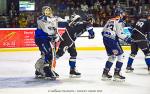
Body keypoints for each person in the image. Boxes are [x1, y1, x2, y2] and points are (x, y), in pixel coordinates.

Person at [56, 13, 95, 78]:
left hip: (70, 39)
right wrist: (92, 34)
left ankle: (72, 70)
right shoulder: (87, 23)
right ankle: (47, 67)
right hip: (68, 38)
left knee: (73, 54)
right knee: (59, 54)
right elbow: (90, 28)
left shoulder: (81, 23)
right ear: (91, 20)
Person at [34, 6, 67, 80]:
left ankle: (41, 70)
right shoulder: (41, 18)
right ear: (43, 11)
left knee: (51, 55)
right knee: (48, 53)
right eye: (46, 10)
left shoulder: (55, 18)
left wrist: (71, 21)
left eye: (49, 10)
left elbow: (64, 22)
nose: (48, 11)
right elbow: (46, 29)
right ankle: (46, 70)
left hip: (51, 38)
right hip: (42, 38)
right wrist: (54, 36)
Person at [101, 7, 132, 81]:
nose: (123, 15)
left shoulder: (110, 20)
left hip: (105, 39)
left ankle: (105, 73)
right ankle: (117, 74)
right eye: (122, 13)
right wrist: (129, 40)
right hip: (112, 40)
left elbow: (102, 32)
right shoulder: (120, 21)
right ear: (120, 14)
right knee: (120, 55)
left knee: (112, 56)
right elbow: (120, 34)